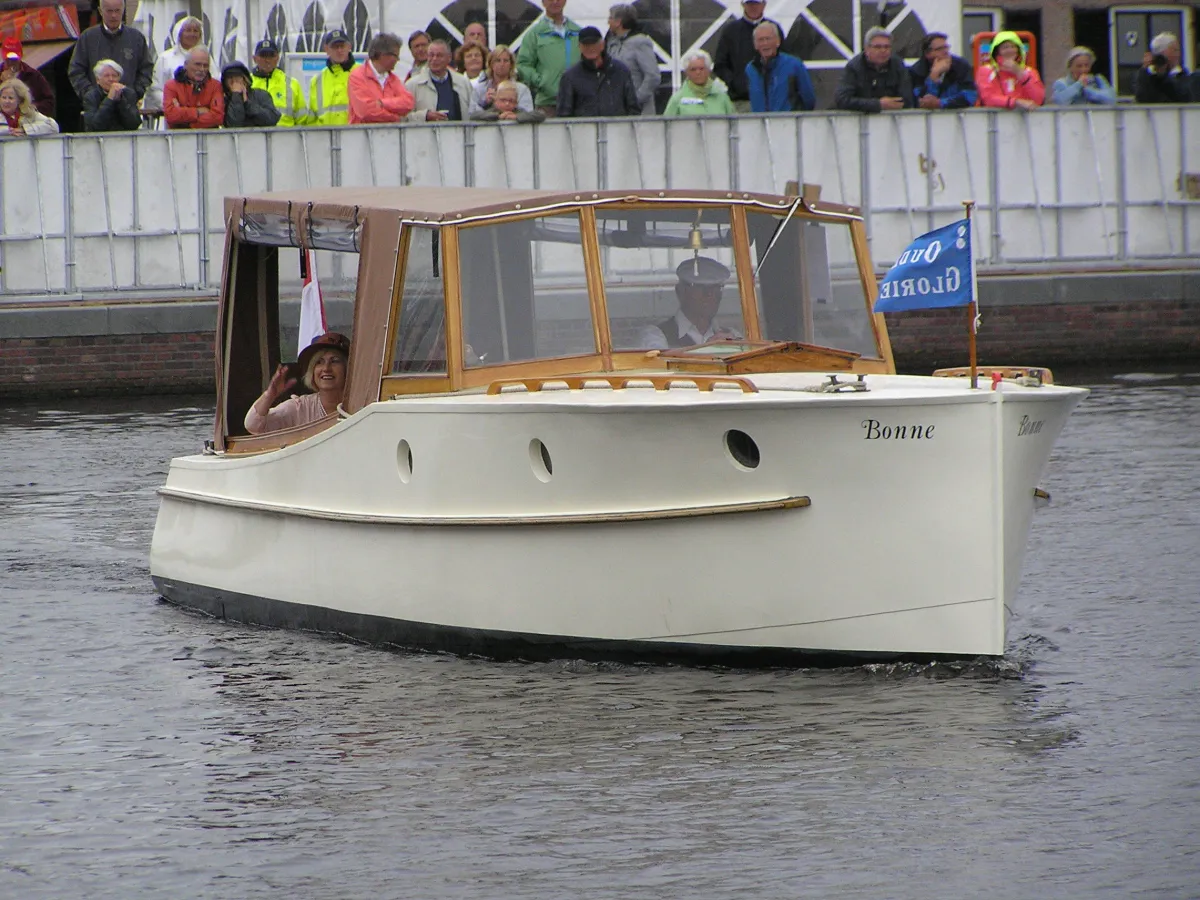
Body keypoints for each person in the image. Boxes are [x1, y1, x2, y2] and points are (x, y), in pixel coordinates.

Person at [245, 332, 350, 434]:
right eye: (319, 362)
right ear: (312, 371)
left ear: (348, 369)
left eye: (335, 361)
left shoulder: (361, 403)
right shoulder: (300, 408)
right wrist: (269, 395)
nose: (326, 368)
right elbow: (253, 425)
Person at [637, 257, 743, 349]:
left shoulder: (732, 335)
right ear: (680, 292)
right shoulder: (655, 335)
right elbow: (659, 368)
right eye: (701, 288)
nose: (709, 295)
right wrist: (707, 352)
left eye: (716, 288)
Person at [68, 0, 153, 102]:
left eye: (117, 11)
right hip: (97, 107)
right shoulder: (88, 38)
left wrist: (134, 93)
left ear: (123, 10)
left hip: (128, 106)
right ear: (100, 11)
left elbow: (146, 69)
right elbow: (76, 70)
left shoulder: (136, 38)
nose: (113, 15)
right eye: (109, 11)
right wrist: (91, 94)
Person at [517, 0, 582, 118]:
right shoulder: (534, 34)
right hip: (547, 104)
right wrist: (541, 82)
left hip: (577, 102)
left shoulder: (577, 32)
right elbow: (523, 64)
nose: (555, 1)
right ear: (543, 2)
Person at [557, 26, 639, 117]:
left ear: (602, 45)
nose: (590, 48)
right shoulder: (569, 77)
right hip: (583, 130)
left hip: (618, 129)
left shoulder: (621, 70)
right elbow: (564, 115)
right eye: (586, 45)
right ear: (579, 47)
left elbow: (633, 108)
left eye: (594, 44)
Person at [713, 0, 780, 112]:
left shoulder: (774, 29)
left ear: (764, 5)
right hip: (741, 102)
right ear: (743, 5)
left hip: (771, 101)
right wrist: (736, 83)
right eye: (750, 3)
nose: (753, 7)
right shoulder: (730, 31)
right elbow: (720, 65)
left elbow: (783, 60)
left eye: (756, 3)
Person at [835, 26, 912, 113]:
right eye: (878, 47)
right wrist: (877, 104)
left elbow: (907, 99)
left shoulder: (898, 65)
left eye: (887, 47)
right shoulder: (854, 67)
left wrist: (895, 104)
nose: (883, 50)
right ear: (867, 48)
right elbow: (842, 100)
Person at [144, 16, 208, 114]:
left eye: (195, 31)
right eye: (188, 30)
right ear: (179, 34)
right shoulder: (165, 58)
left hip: (201, 115)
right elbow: (155, 88)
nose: (192, 34)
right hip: (172, 115)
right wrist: (171, 105)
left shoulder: (207, 57)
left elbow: (214, 83)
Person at [746, 21, 814, 112]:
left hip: (788, 122)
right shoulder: (751, 69)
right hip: (760, 123)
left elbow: (809, 100)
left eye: (768, 39)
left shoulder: (794, 64)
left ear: (778, 41)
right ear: (755, 45)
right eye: (761, 40)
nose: (765, 43)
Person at [348, 32, 415, 124]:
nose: (398, 60)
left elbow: (408, 103)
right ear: (383, 54)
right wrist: (396, 118)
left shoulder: (393, 79)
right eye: (395, 55)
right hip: (362, 136)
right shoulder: (357, 76)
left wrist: (383, 103)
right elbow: (365, 112)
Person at [605, 4, 659, 116]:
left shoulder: (640, 42)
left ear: (618, 22)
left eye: (610, 18)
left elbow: (653, 76)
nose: (608, 22)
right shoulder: (611, 42)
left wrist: (636, 100)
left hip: (639, 112)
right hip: (616, 108)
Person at [405, 39, 473, 122]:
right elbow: (403, 117)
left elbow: (473, 112)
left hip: (458, 133)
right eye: (431, 55)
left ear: (449, 58)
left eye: (439, 55)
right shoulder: (412, 85)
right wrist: (425, 116)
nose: (434, 59)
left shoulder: (463, 82)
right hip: (426, 134)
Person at [976, 30, 1044, 110]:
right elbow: (988, 98)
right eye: (1005, 47)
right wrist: (1016, 102)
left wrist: (1020, 73)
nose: (1010, 50)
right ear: (997, 52)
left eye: (1013, 47)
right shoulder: (986, 71)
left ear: (1019, 50)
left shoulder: (1030, 72)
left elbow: (1038, 100)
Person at [910, 32, 977, 110]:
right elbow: (920, 102)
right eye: (940, 49)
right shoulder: (917, 71)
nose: (945, 51)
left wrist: (940, 103)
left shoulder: (961, 66)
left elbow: (970, 96)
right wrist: (933, 77)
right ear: (928, 54)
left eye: (946, 47)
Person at [250, 39, 308, 126]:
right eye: (263, 56)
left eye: (271, 56)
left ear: (277, 58)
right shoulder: (246, 83)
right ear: (254, 59)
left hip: (286, 137)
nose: (267, 60)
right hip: (256, 137)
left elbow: (303, 121)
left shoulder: (292, 84)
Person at [163, 46, 223, 129]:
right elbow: (171, 115)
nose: (202, 69)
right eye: (197, 64)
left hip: (209, 138)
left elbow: (217, 117)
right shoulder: (171, 86)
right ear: (186, 65)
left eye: (205, 66)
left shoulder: (215, 86)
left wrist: (187, 123)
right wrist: (197, 112)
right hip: (178, 138)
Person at [308, 29, 359, 126]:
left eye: (342, 46)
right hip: (325, 138)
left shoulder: (362, 73)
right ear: (326, 49)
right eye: (335, 47)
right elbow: (312, 119)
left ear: (349, 47)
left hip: (354, 136)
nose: (339, 50)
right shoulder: (316, 80)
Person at [664, 49, 734, 116]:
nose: (698, 72)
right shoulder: (677, 99)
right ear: (686, 73)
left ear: (708, 70)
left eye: (702, 69)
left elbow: (734, 123)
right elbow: (666, 125)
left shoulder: (722, 97)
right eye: (693, 69)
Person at [469, 44, 534, 114]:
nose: (502, 64)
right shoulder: (479, 89)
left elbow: (528, 114)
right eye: (498, 60)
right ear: (491, 64)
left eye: (506, 61)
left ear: (511, 65)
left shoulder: (522, 89)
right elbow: (471, 114)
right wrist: (485, 103)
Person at [0, 38, 55, 118]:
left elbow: (49, 102)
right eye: (8, 59)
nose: (11, 63)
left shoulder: (33, 75)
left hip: (28, 120)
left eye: (14, 59)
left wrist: (30, 109)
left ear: (21, 56)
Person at [81, 59, 141, 131]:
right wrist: (109, 99)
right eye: (106, 76)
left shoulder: (129, 93)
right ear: (98, 80)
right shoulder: (90, 97)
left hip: (124, 138)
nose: (111, 79)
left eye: (114, 76)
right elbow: (95, 126)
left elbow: (134, 124)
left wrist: (121, 100)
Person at [1133, 33, 1191, 104]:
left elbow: (1181, 97)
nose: (1178, 54)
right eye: (1174, 50)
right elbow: (1141, 98)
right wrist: (1144, 69)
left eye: (1178, 50)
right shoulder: (1147, 76)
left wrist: (1163, 76)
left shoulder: (1182, 75)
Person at [221, 61, 280, 127]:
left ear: (245, 79)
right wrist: (236, 96)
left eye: (237, 77)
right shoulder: (223, 101)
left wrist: (247, 104)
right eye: (229, 77)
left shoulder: (261, 95)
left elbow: (271, 119)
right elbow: (234, 124)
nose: (234, 81)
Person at [470, 80, 545, 123]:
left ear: (516, 102)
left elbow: (541, 115)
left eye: (511, 101)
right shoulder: (490, 111)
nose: (507, 103)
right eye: (503, 100)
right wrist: (498, 116)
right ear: (495, 100)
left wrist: (516, 117)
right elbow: (474, 116)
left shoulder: (519, 111)